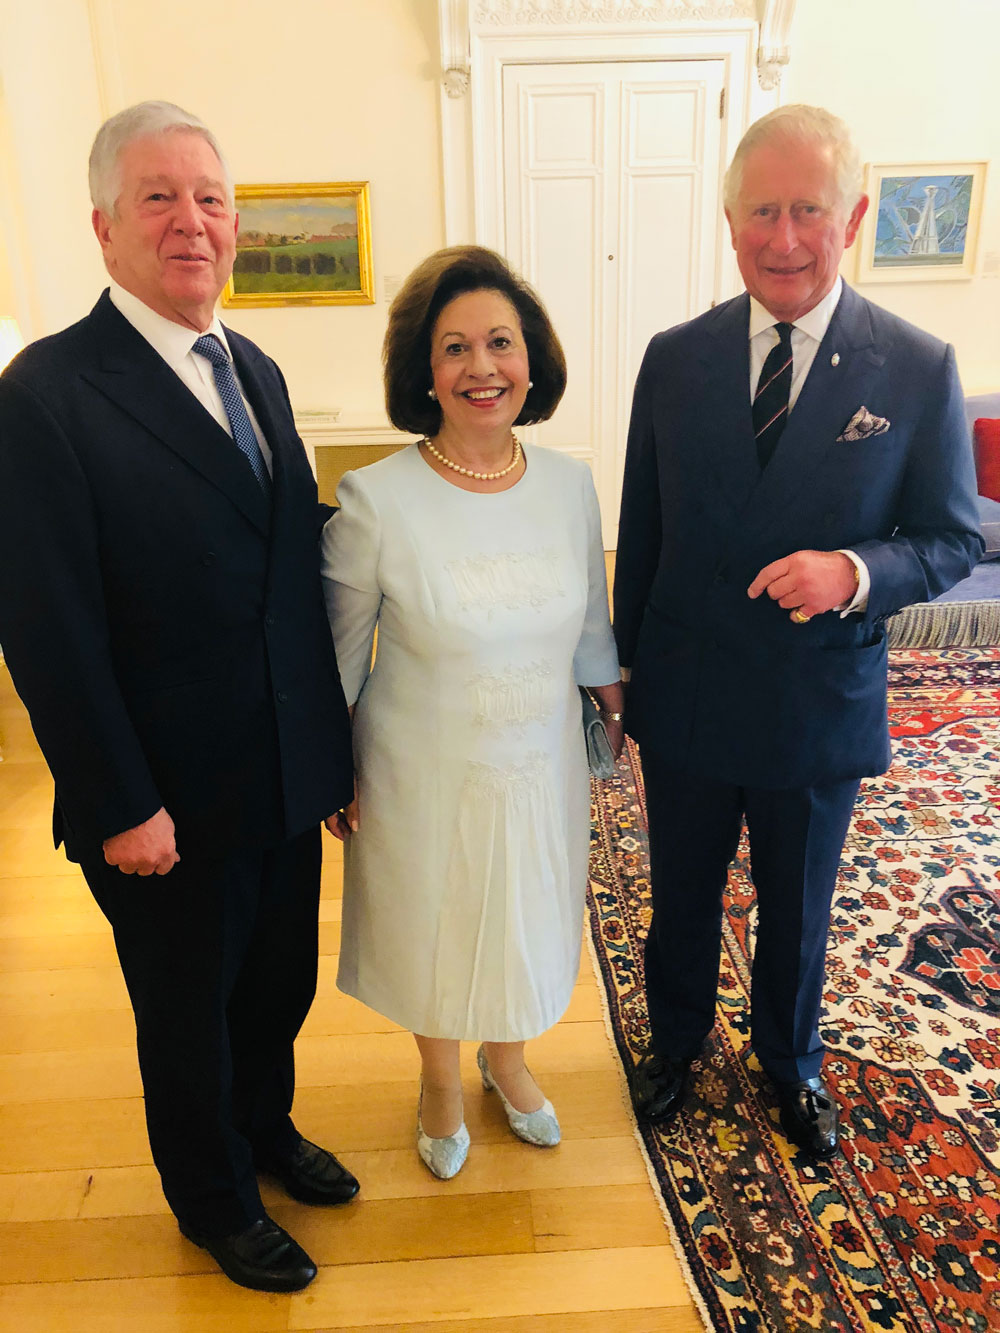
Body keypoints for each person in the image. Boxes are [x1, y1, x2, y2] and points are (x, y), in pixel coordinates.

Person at [0, 101, 360, 1291]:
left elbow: (283, 564)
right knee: (187, 1014)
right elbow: (46, 628)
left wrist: (331, 751)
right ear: (104, 227)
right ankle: (213, 1199)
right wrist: (119, 803)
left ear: (236, 225)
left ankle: (264, 1130)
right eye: (158, 197)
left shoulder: (253, 368)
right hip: (161, 800)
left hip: (279, 769)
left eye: (209, 199)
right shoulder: (45, 394)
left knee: (276, 985)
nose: (190, 221)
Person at [613, 105, 983, 1159]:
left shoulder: (914, 365)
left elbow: (952, 536)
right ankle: (675, 1042)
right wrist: (622, 664)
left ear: (853, 217)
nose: (783, 238)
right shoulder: (673, 358)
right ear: (729, 220)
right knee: (681, 892)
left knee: (799, 904)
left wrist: (854, 573)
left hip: (816, 694)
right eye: (762, 212)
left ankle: (790, 1060)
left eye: (808, 211)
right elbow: (643, 524)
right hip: (688, 688)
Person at [320, 245, 623, 1179]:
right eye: (454, 348)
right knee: (435, 911)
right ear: (424, 370)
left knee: (526, 905)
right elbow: (339, 655)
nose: (481, 367)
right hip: (421, 762)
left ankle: (509, 1056)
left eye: (500, 342)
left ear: (532, 359)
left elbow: (590, 616)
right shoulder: (377, 499)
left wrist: (611, 699)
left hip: (539, 755)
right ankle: (440, 1077)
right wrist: (333, 764)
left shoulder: (570, 483)